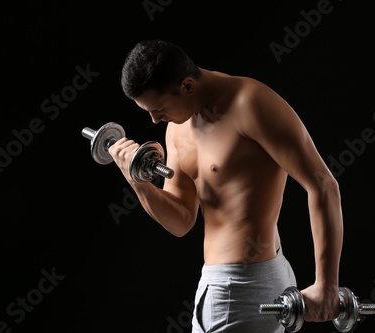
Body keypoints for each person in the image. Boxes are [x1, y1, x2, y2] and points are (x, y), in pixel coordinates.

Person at [110, 40, 343, 332]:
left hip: (241, 288)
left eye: (159, 108)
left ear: (188, 86)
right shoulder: (176, 127)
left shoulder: (250, 103)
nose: (155, 119)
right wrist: (139, 184)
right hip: (227, 283)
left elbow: (323, 184)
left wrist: (327, 286)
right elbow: (181, 221)